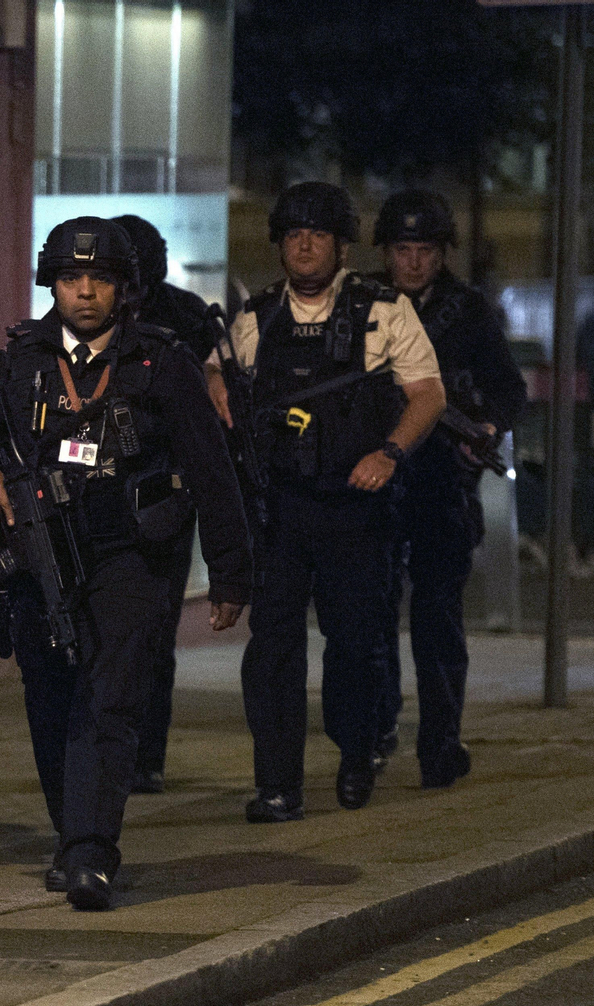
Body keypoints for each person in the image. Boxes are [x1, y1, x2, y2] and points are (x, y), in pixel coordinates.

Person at [0, 217, 251, 910]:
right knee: (50, 699)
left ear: (122, 288)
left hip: (131, 557)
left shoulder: (161, 361)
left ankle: (90, 852)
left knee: (110, 697)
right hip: (42, 554)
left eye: (99, 280)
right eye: (71, 279)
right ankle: (69, 835)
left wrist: (231, 573)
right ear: (52, 283)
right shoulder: (22, 358)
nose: (84, 293)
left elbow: (211, 469)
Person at [206, 182, 445, 823]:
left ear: (341, 245)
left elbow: (428, 394)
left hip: (354, 507)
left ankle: (356, 752)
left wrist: (388, 454)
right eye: (293, 235)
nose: (304, 245)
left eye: (317, 235)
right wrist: (218, 394)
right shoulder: (255, 319)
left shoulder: (383, 310)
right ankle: (277, 784)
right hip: (281, 510)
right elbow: (215, 376)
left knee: (355, 644)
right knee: (273, 649)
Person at [369, 190, 525, 788]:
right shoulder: (366, 302)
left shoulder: (468, 311)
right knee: (372, 612)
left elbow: (508, 389)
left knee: (437, 617)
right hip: (378, 476)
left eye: (424, 251)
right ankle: (378, 726)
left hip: (441, 481)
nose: (412, 262)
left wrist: (484, 425)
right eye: (403, 250)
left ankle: (440, 740)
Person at [110, 214, 218, 795]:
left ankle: (145, 754)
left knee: (154, 629)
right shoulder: (78, 314)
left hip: (163, 495)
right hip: (97, 489)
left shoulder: (186, 319)